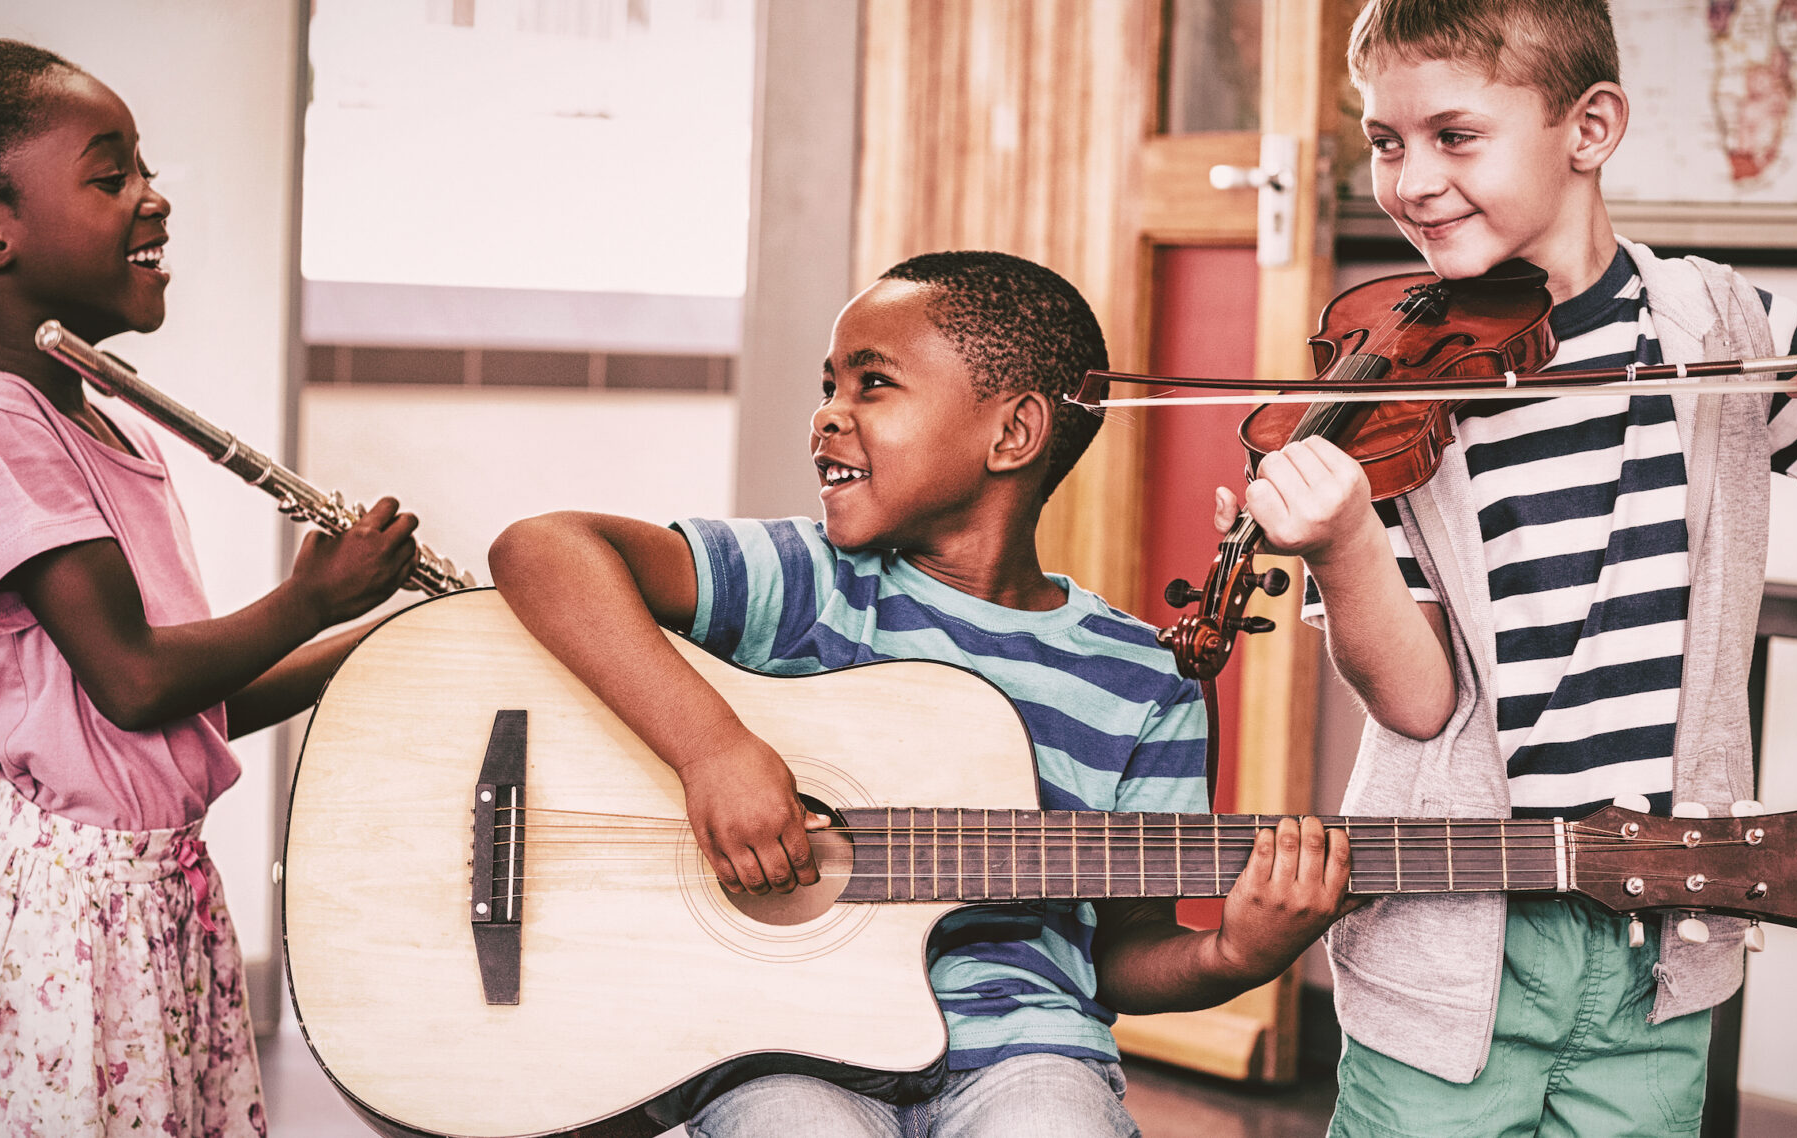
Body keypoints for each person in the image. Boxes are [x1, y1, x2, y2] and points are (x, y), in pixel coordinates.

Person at [1219, 0, 1797, 1134]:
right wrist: (1346, 542)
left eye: (1453, 136)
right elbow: (1417, 705)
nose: (1410, 179)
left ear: (1591, 126)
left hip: (1658, 929)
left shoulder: (1711, 328)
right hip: (1456, 932)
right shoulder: (1391, 391)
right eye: (1384, 140)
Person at [489, 251, 1356, 1137]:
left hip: (1023, 1048)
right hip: (783, 1039)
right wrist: (712, 748)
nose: (829, 413)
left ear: (1013, 434)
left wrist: (1234, 954)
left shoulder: (1143, 679)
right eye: (831, 384)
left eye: (874, 385)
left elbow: (1123, 953)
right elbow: (544, 549)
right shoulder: (807, 583)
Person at [0, 1, 421, 1132]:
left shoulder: (89, 419)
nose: (153, 194)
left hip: (142, 890)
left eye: (142, 164)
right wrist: (309, 595)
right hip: (62, 914)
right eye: (109, 172)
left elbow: (181, 714)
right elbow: (134, 679)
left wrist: (371, 640)